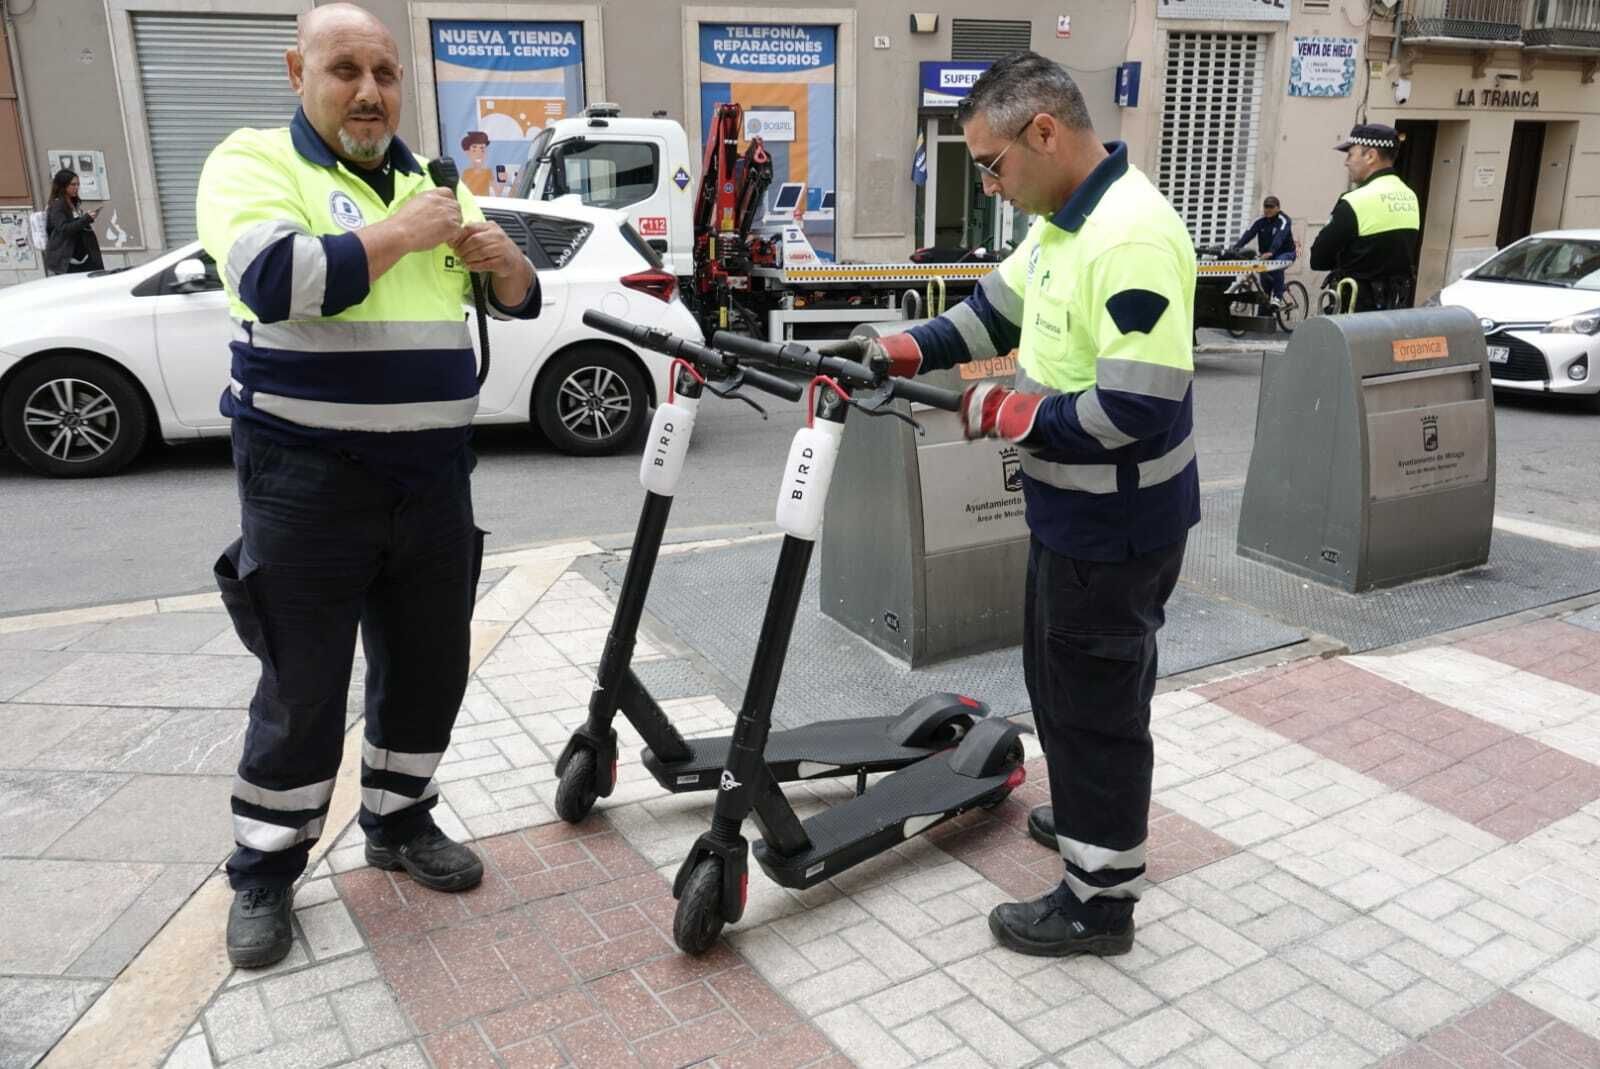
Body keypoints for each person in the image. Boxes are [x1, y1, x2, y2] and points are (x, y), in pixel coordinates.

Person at [826, 51, 1198, 957]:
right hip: (1070, 516)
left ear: (1045, 131)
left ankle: (1098, 899)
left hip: (1117, 526)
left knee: (1096, 708)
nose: (990, 185)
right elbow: (991, 316)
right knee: (1060, 684)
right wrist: (898, 351)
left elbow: (1138, 407)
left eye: (992, 164)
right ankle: (1083, 817)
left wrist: (1014, 411)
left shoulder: (1130, 236)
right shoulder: (1061, 222)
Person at [195, 1, 538, 968]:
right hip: (306, 480)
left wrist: (505, 260)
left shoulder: (430, 179)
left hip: (432, 480)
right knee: (304, 688)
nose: (370, 91)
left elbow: (518, 299)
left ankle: (397, 822)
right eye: (345, 69)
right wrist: (406, 228)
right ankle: (264, 870)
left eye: (385, 73)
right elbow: (272, 279)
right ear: (296, 69)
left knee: (429, 669)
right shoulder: (257, 163)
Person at [1309, 123, 1420, 312]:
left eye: (1351, 154)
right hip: (1393, 311)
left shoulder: (1355, 200)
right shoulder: (1410, 196)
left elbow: (1318, 259)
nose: (1346, 162)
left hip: (1353, 313)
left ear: (1371, 156)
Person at [1228, 195, 1295, 303]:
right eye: (1266, 207)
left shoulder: (1284, 220)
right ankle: (1264, 315)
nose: (1268, 210)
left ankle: (1278, 297)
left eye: (1271, 207)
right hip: (1266, 255)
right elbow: (1248, 234)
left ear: (1278, 208)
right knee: (1265, 290)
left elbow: (1280, 237)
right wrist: (1236, 248)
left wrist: (1271, 251)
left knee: (1277, 265)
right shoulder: (1260, 220)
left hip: (1285, 253)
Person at [44, 169, 105, 275]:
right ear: (63, 186)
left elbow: (74, 224)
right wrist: (86, 219)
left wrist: (85, 218)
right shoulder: (57, 205)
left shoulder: (72, 202)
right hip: (69, 258)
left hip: (82, 255)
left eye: (78, 184)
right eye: (73, 184)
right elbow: (63, 229)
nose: (77, 187)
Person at [460, 130, 493, 196]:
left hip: (485, 203)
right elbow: (461, 191)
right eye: (474, 150)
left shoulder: (488, 172)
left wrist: (502, 181)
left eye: (482, 149)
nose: (478, 153)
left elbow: (497, 192)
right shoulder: (466, 172)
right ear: (467, 152)